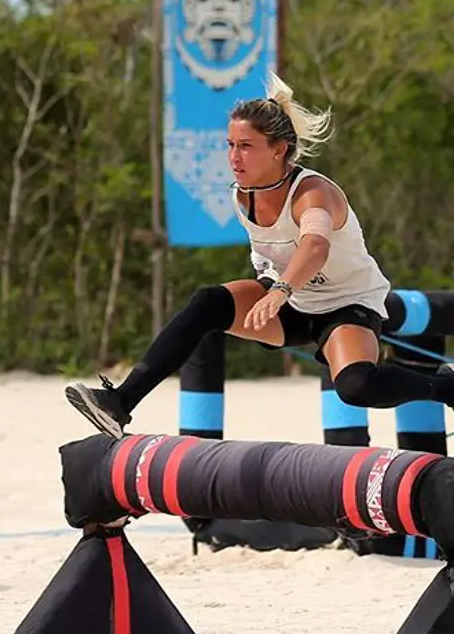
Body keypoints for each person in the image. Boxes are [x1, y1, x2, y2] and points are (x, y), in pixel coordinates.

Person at [66, 73, 454, 439]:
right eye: (230, 145)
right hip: (291, 304)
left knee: (355, 387)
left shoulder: (312, 193)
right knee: (207, 303)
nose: (234, 157)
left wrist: (279, 290)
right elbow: (267, 257)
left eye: (246, 146)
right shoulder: (242, 195)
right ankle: (119, 403)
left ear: (279, 150)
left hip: (346, 304)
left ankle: (445, 386)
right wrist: (270, 286)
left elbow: (315, 247)